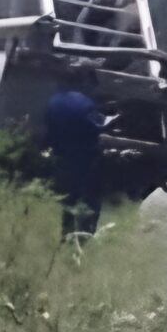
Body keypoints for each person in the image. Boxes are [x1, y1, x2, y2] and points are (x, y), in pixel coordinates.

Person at [44, 88, 106, 241]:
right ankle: (86, 235)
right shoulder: (85, 104)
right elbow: (97, 126)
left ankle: (66, 233)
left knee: (69, 198)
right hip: (87, 156)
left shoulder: (53, 101)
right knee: (91, 198)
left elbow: (49, 131)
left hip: (65, 155)